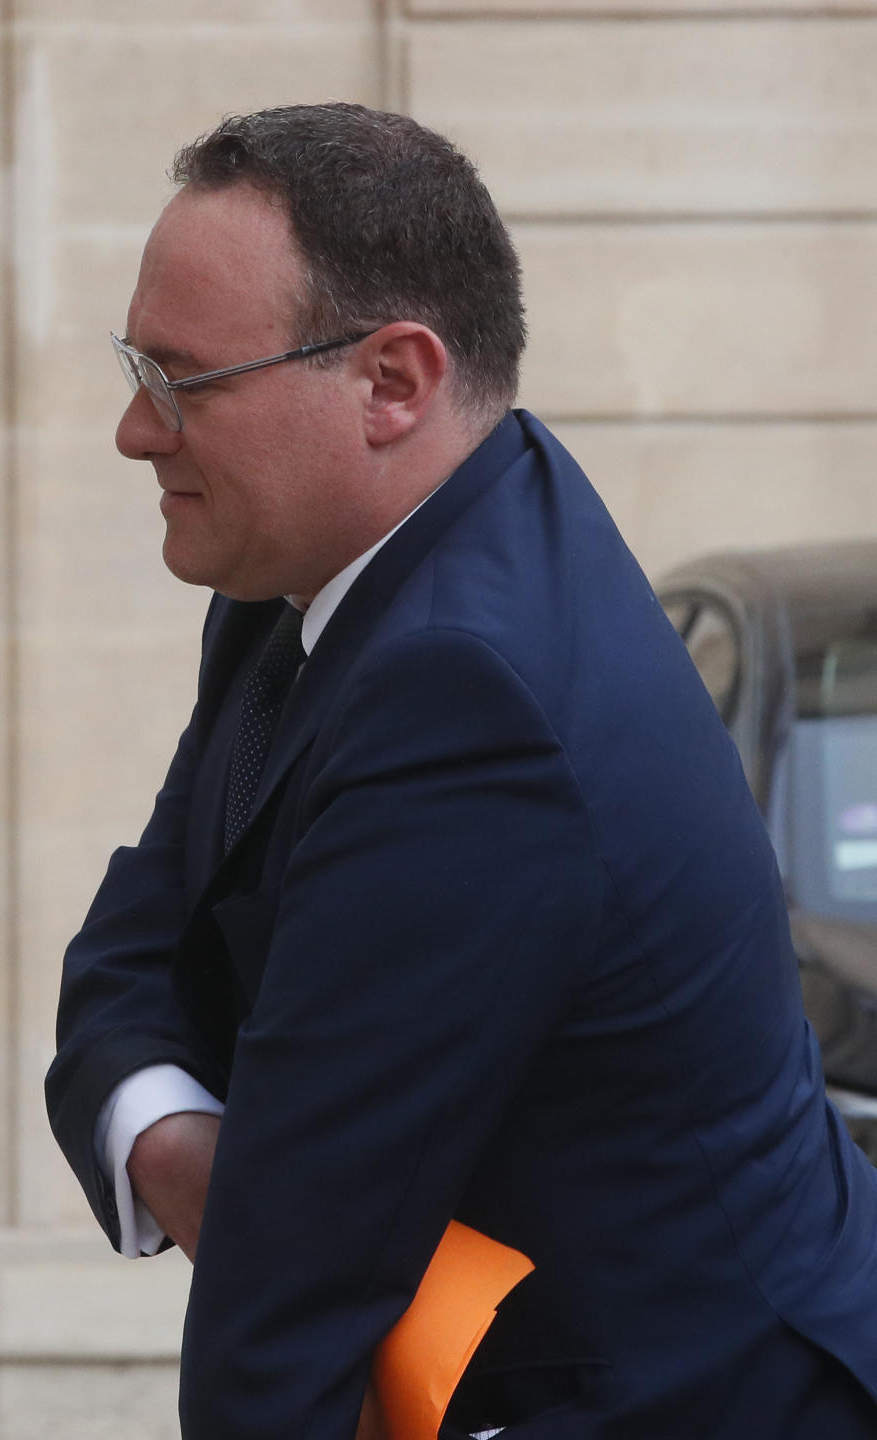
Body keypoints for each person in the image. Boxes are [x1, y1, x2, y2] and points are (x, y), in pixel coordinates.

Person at [45, 102, 877, 1440]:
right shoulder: (337, 559)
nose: (138, 432)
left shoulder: (468, 693)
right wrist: (181, 1150)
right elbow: (145, 938)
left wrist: (267, 1213)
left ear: (393, 382)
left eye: (184, 381)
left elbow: (286, 1316)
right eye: (137, 364)